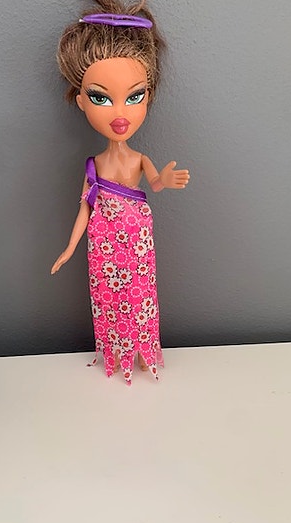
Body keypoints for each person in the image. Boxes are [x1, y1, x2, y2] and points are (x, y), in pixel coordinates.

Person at [51, 0, 190, 385]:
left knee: (140, 294)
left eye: (134, 96)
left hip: (137, 240)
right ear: (81, 100)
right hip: (103, 242)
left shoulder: (139, 158)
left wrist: (164, 179)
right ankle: (117, 349)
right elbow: (85, 208)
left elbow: (154, 184)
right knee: (109, 297)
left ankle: (143, 350)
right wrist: (69, 248)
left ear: (149, 96)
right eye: (100, 97)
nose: (119, 113)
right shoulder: (93, 165)